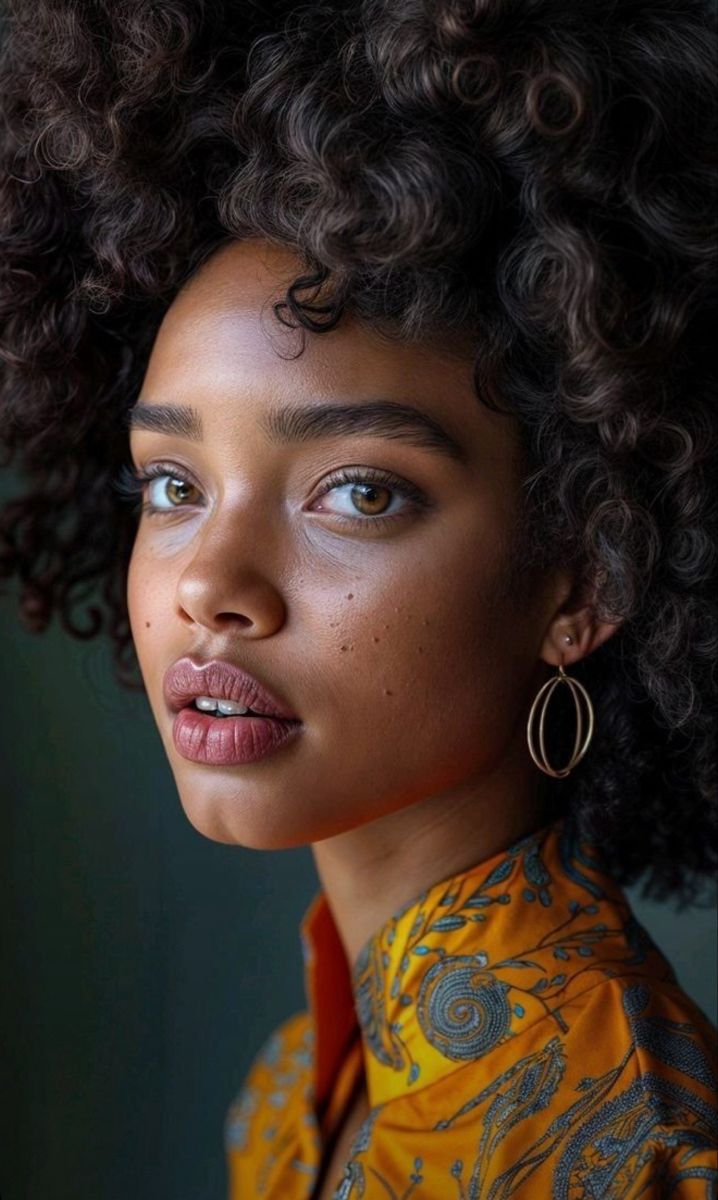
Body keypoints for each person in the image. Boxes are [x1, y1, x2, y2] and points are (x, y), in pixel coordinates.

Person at [1, 1, 716, 1197]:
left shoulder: (632, 1156)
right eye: (173, 483)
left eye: (361, 496)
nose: (211, 588)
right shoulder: (295, 1092)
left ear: (584, 579)